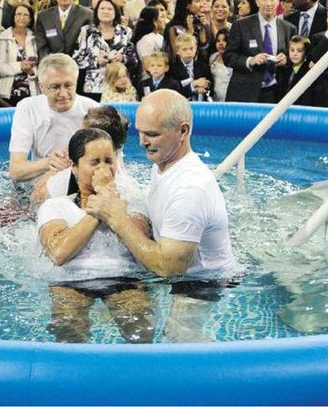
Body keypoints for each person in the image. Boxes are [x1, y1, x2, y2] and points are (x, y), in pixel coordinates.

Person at [85, 89, 236, 342]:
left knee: (178, 339)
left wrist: (117, 217)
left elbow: (169, 268)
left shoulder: (190, 188)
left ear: (183, 131)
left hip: (202, 282)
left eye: (152, 134)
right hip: (184, 272)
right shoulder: (164, 165)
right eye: (140, 132)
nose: (142, 141)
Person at [38, 127, 155, 343]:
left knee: (141, 329)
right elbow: (58, 253)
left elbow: (142, 246)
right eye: (94, 162)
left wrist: (112, 204)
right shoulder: (55, 206)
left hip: (125, 279)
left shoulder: (134, 204)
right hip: (71, 282)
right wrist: (99, 208)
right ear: (74, 168)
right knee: (68, 331)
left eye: (108, 161)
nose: (103, 169)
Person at [8, 53, 99, 183]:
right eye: (55, 87)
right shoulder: (27, 108)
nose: (63, 93)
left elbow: (114, 163)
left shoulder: (93, 109)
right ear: (42, 87)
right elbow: (15, 171)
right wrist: (49, 163)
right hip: (41, 184)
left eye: (68, 85)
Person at [224, 0, 296, 103]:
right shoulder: (240, 25)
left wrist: (287, 60)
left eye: (272, 0)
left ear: (278, 2)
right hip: (244, 92)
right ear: (257, 2)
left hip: (275, 93)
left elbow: (295, 59)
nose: (268, 3)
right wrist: (250, 61)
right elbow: (228, 56)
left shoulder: (289, 28)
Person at [72, 0, 137, 102]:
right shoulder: (87, 31)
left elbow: (134, 59)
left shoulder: (125, 31)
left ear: (116, 12)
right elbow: (76, 59)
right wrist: (95, 60)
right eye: (102, 8)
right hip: (94, 87)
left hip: (120, 87)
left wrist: (122, 58)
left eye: (109, 9)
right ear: (96, 12)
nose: (106, 11)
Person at [0, 3, 39, 106]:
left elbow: (39, 64)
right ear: (13, 17)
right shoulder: (3, 37)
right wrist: (20, 67)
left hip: (31, 93)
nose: (22, 17)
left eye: (26, 15)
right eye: (18, 14)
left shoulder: (35, 38)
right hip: (7, 94)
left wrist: (31, 72)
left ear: (30, 19)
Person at [169, 33, 213, 100]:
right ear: (178, 51)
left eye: (191, 48)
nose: (189, 52)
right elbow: (175, 90)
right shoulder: (173, 69)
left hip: (200, 104)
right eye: (184, 49)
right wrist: (194, 84)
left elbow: (210, 85)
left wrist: (205, 87)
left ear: (195, 49)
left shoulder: (203, 67)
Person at [278, 34, 313, 104]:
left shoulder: (309, 71)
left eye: (299, 51)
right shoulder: (286, 69)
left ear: (306, 52)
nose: (295, 54)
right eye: (292, 50)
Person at [209, 27, 232, 100]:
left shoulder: (236, 59)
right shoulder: (213, 57)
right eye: (218, 41)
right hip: (216, 101)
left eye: (224, 40)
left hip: (232, 100)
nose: (221, 43)